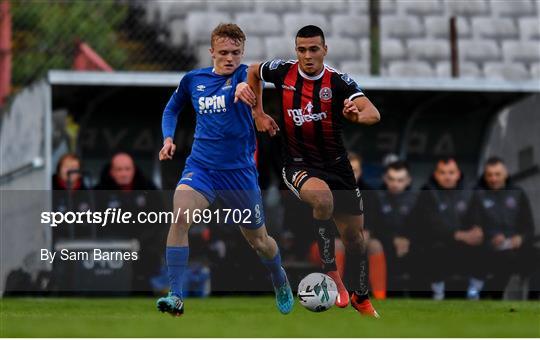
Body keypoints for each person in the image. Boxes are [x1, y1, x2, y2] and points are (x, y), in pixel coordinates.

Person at [157, 23, 293, 316]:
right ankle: (176, 295)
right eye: (223, 53)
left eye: (235, 52)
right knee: (180, 216)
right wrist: (168, 138)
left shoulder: (245, 75)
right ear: (211, 52)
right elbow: (172, 109)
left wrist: (250, 93)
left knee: (260, 242)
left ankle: (279, 278)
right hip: (202, 168)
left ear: (242, 52)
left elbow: (254, 74)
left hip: (239, 174)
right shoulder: (194, 80)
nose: (229, 58)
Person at [243, 25, 381, 317]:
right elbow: (253, 72)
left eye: (313, 49)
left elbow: (373, 113)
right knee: (322, 199)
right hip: (297, 164)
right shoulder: (282, 71)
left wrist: (356, 116)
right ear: (296, 51)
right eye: (301, 49)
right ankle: (330, 272)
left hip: (338, 166)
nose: (307, 56)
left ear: (324, 50)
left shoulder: (338, 82)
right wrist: (258, 113)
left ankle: (360, 295)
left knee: (356, 239)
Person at [413, 157, 484, 300]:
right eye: (443, 173)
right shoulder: (427, 192)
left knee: (483, 245)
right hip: (437, 242)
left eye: (451, 172)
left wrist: (477, 229)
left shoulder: (470, 191)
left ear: (458, 174)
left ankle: (474, 292)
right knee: (435, 248)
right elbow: (429, 224)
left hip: (465, 243)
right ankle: (438, 293)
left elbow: (477, 215)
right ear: (436, 174)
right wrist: (457, 235)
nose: (447, 177)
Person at [468, 157, 535, 299]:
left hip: (516, 246)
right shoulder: (477, 195)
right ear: (485, 176)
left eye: (497, 174)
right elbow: (473, 226)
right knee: (506, 259)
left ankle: (533, 303)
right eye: (490, 175)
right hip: (489, 248)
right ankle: (490, 295)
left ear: (505, 174)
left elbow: (529, 228)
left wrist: (520, 238)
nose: (493, 179)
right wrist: (490, 238)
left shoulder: (518, 193)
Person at [370, 161, 417, 297]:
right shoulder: (376, 198)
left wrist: (407, 239)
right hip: (385, 243)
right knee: (379, 247)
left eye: (400, 180)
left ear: (408, 181)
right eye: (391, 179)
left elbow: (421, 226)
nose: (395, 184)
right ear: (385, 179)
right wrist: (393, 239)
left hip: (411, 244)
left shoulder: (416, 199)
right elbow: (373, 225)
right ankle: (381, 296)